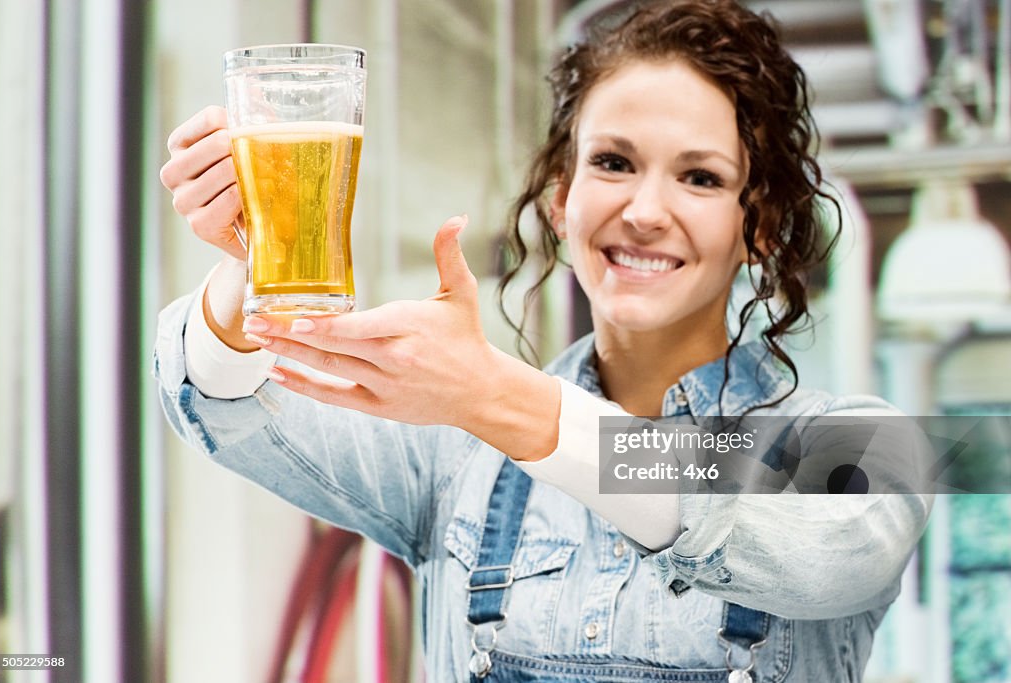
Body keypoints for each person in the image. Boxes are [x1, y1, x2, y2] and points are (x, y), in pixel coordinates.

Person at [156, 0, 931, 680]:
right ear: (562, 203)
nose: (645, 210)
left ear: (756, 225)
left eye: (699, 178)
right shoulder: (454, 452)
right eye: (613, 162)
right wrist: (246, 262)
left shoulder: (858, 446)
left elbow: (827, 547)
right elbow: (231, 407)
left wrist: (502, 399)